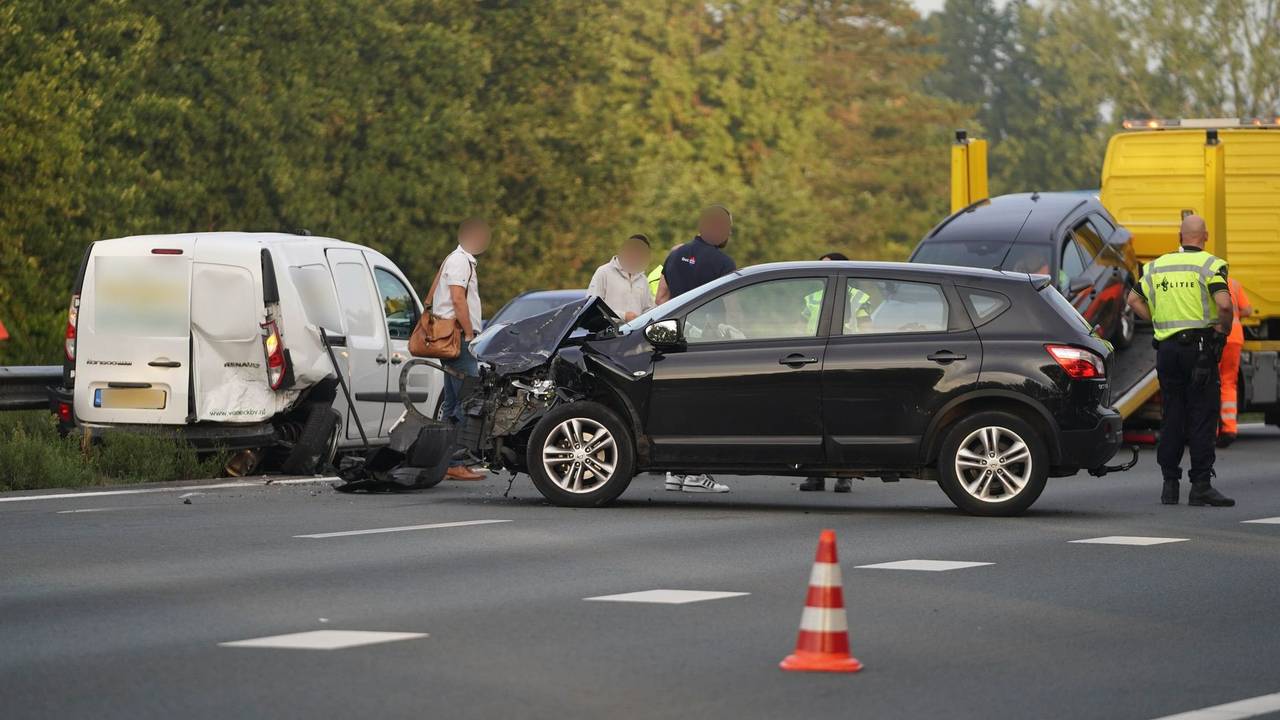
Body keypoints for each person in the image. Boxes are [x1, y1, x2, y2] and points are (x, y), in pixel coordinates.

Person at [1126, 214, 1235, 506]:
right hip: (1199, 350)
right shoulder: (1210, 265)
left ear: (1179, 236)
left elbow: (1133, 300)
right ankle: (1200, 485)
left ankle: (1169, 485)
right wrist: (1223, 328)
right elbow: (1224, 303)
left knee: (1172, 414)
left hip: (1167, 350)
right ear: (1206, 237)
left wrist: (1159, 321)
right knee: (1201, 414)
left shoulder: (1157, 266)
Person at [658, 206, 737, 493]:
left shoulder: (674, 255)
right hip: (705, 342)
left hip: (673, 339)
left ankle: (674, 472)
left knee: (679, 407)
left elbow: (661, 298)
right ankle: (697, 474)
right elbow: (728, 306)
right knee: (705, 409)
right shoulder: (722, 262)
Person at [434, 218, 491, 481]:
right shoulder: (460, 261)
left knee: (452, 402)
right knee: (468, 399)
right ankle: (456, 461)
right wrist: (469, 333)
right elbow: (457, 298)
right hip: (458, 339)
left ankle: (445, 460)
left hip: (452, 339)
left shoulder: (457, 260)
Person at [799, 251, 859, 493]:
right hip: (812, 360)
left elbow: (866, 326)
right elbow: (803, 325)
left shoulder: (856, 296)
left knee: (843, 418)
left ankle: (845, 474)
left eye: (824, 265)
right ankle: (814, 475)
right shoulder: (811, 297)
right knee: (810, 418)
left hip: (845, 360)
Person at [655, 205, 737, 304]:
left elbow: (660, 299)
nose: (729, 233)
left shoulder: (675, 254)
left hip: (678, 318)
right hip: (709, 319)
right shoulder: (725, 264)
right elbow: (732, 309)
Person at [1217, 277, 1253, 447]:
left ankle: (1213, 430)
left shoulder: (1206, 281)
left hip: (1216, 337)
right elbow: (1247, 310)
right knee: (1229, 383)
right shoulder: (1235, 283)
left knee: (1211, 382)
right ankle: (1230, 428)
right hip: (1235, 337)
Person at [588, 234, 655, 321]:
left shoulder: (643, 279)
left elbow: (648, 309)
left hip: (635, 333)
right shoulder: (604, 272)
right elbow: (592, 307)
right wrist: (623, 316)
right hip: (608, 333)